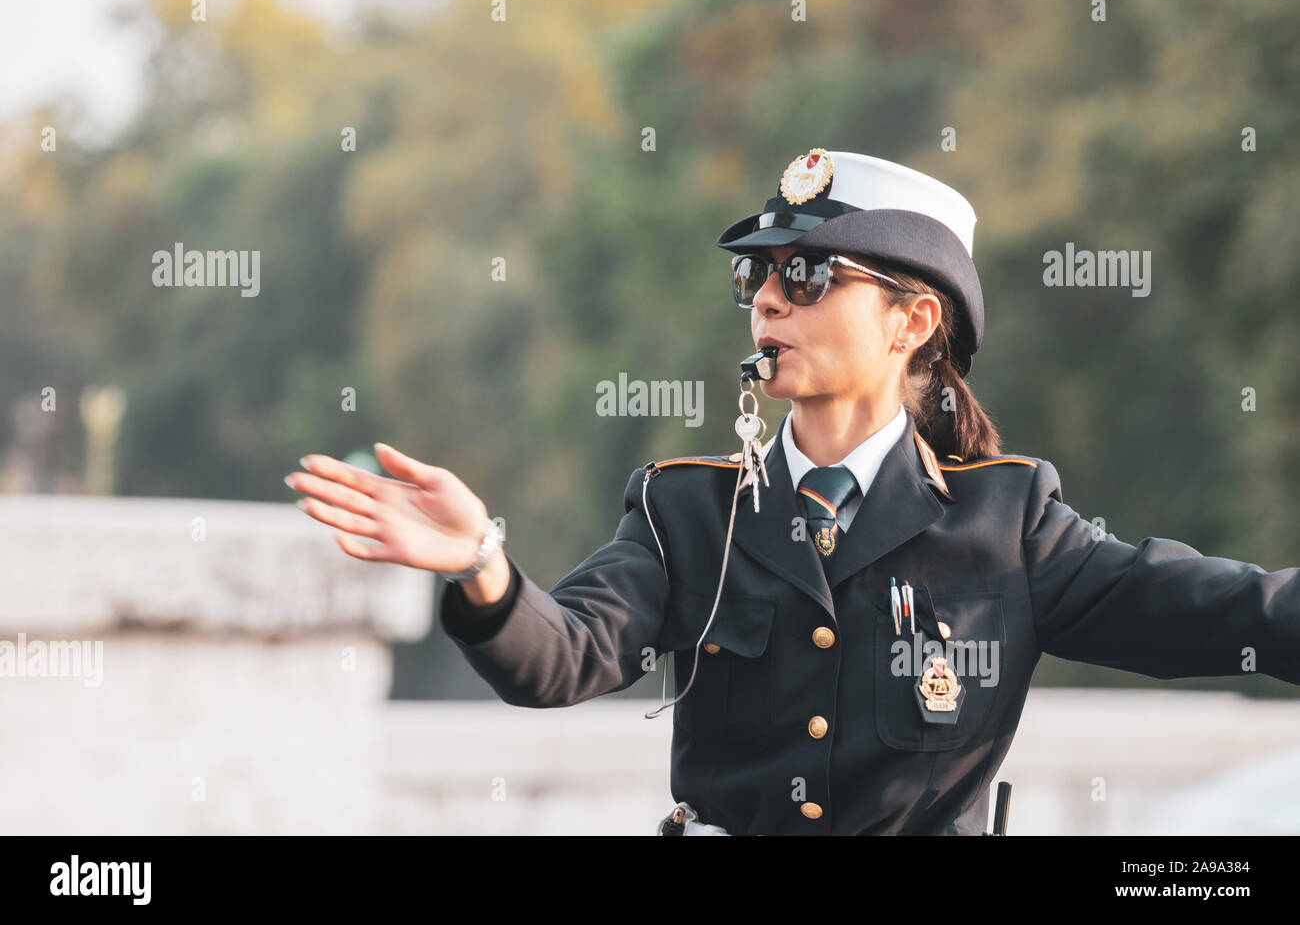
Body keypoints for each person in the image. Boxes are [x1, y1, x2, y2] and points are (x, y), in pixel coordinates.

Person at [285, 148, 1300, 835]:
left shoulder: (1008, 523)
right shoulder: (687, 511)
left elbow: (1230, 615)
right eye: (757, 277)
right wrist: (481, 561)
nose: (768, 297)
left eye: (809, 273)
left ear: (910, 322)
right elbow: (559, 658)